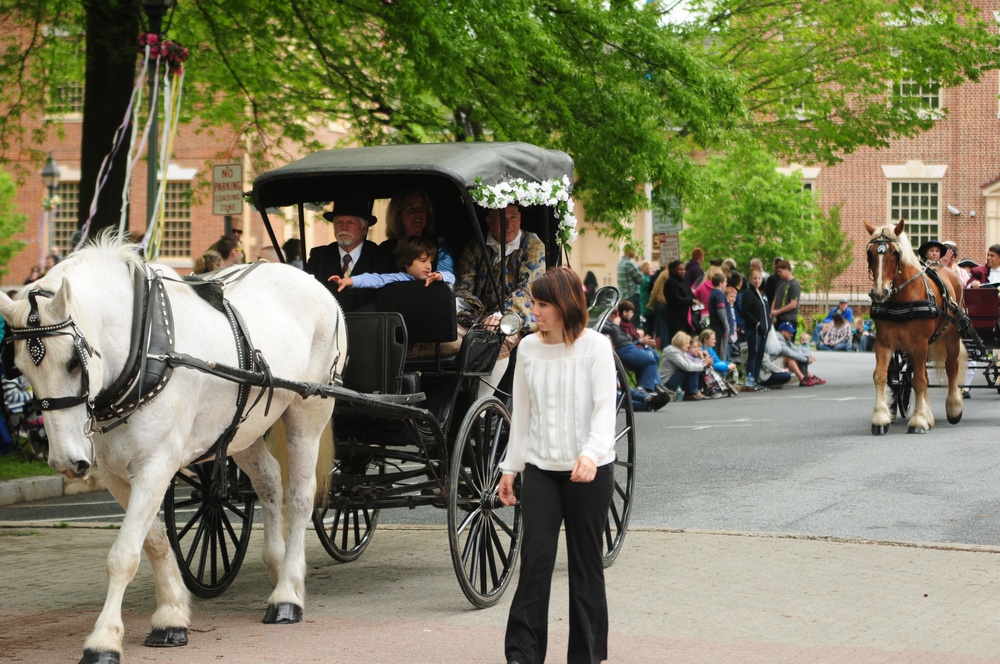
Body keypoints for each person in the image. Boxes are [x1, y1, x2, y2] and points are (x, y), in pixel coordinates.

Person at [498, 267, 616, 664]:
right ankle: (522, 655)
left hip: (590, 470)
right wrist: (510, 468)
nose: (534, 311)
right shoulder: (528, 349)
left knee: (585, 565)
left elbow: (604, 411)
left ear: (565, 305)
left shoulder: (596, 346)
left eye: (542, 304)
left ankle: (586, 657)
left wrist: (590, 454)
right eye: (533, 303)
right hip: (542, 469)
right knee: (535, 562)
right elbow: (523, 414)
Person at [306, 193, 394, 312]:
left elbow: (385, 300)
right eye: (339, 222)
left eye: (350, 223)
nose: (344, 227)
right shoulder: (319, 257)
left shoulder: (381, 257)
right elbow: (308, 295)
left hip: (369, 328)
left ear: (364, 227)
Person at [328, 236, 453, 291]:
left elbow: (451, 278)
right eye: (422, 261)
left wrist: (439, 276)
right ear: (406, 261)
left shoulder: (431, 278)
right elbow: (374, 279)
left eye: (430, 262)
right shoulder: (397, 278)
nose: (429, 266)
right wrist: (348, 281)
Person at [380, 188, 455, 279]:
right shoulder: (385, 249)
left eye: (422, 208)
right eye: (412, 209)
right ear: (398, 214)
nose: (418, 213)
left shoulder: (439, 248)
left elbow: (445, 283)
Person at [602, 308, 667, 397]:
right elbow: (616, 337)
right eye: (614, 313)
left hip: (630, 346)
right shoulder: (605, 324)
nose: (616, 316)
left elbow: (628, 336)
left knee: (654, 355)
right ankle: (644, 389)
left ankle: (655, 385)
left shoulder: (624, 324)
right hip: (622, 349)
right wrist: (616, 325)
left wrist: (639, 340)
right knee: (650, 361)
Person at [659, 331, 712, 400]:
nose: (689, 345)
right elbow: (687, 366)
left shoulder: (681, 352)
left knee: (695, 367)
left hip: (674, 379)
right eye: (687, 343)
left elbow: (690, 363)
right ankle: (690, 393)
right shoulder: (672, 352)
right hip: (666, 383)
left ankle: (693, 392)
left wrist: (704, 362)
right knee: (690, 368)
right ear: (681, 342)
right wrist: (702, 365)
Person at [740, 269, 769, 392]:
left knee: (759, 356)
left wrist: (769, 324)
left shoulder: (762, 293)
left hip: (764, 330)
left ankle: (756, 381)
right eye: (755, 278)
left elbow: (766, 311)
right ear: (750, 279)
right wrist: (757, 324)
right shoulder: (748, 294)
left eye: (759, 278)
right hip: (754, 330)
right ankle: (750, 382)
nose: (757, 281)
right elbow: (745, 312)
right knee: (753, 355)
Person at [775, 322, 825, 386]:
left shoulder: (786, 340)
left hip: (778, 362)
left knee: (797, 357)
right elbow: (788, 352)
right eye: (789, 332)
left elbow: (796, 350)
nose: (792, 335)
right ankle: (802, 379)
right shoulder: (778, 340)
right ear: (782, 332)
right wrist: (805, 360)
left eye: (792, 333)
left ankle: (811, 377)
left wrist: (807, 356)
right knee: (790, 357)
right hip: (772, 363)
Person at [663, 259, 696, 338]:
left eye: (684, 269)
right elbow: (676, 299)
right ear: (674, 270)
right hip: (676, 317)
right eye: (679, 269)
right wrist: (690, 301)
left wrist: (696, 301)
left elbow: (690, 294)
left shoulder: (684, 281)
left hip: (687, 316)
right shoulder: (670, 283)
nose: (682, 271)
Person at [770, 259, 801, 333]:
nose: (778, 273)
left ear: (786, 269)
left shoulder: (794, 284)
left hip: (789, 320)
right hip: (778, 319)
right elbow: (775, 298)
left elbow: (793, 304)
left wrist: (778, 312)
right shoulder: (780, 283)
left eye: (780, 271)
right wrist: (772, 312)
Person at [617, 249, 644, 313]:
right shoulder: (629, 264)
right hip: (632, 295)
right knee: (634, 319)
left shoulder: (620, 263)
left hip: (623, 295)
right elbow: (640, 280)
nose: (635, 253)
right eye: (634, 251)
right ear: (629, 251)